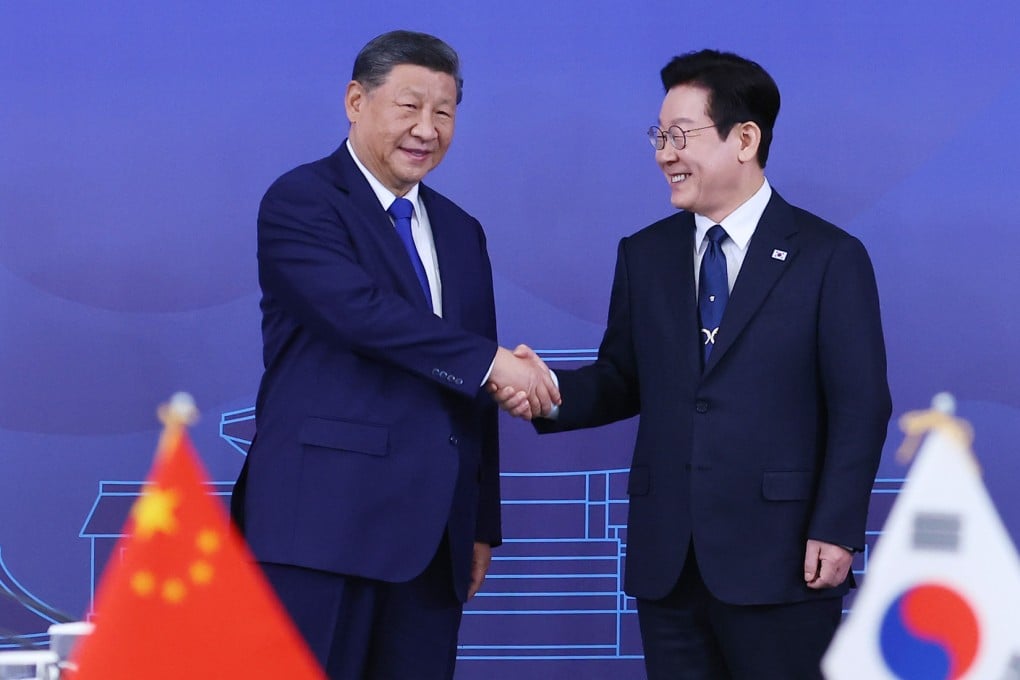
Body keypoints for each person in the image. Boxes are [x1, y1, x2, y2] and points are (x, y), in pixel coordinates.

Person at [491, 49, 891, 679]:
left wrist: (837, 529)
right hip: (668, 561)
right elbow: (622, 377)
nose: (663, 154)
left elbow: (860, 405)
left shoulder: (828, 258)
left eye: (680, 136)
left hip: (782, 560)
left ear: (745, 139)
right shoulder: (644, 255)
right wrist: (545, 392)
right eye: (659, 136)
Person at [230, 29, 558, 679]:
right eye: (408, 106)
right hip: (320, 531)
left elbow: (471, 388)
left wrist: (479, 521)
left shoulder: (461, 231)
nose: (426, 129)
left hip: (432, 545)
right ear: (357, 101)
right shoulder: (303, 201)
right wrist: (495, 363)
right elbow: (363, 316)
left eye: (444, 112)